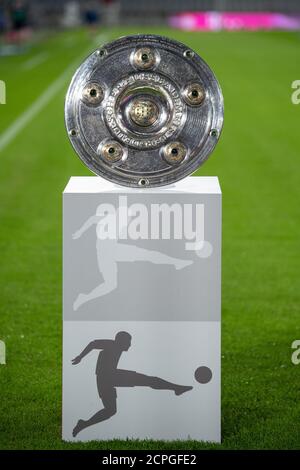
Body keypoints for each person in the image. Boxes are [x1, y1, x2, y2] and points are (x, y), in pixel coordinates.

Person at [72, 331, 193, 437]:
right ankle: (176, 388)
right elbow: (93, 343)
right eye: (128, 341)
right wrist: (80, 356)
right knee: (149, 381)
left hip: (107, 379)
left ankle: (84, 424)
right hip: (110, 376)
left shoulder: (116, 347)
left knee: (111, 410)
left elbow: (94, 345)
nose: (130, 344)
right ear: (121, 341)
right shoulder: (112, 344)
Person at [72, 206, 193, 311]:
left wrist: (80, 231)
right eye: (127, 217)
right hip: (109, 251)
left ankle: (177, 262)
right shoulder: (116, 221)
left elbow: (93, 219)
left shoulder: (109, 219)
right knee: (145, 257)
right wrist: (81, 231)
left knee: (146, 256)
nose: (128, 220)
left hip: (110, 251)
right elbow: (94, 220)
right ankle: (84, 298)